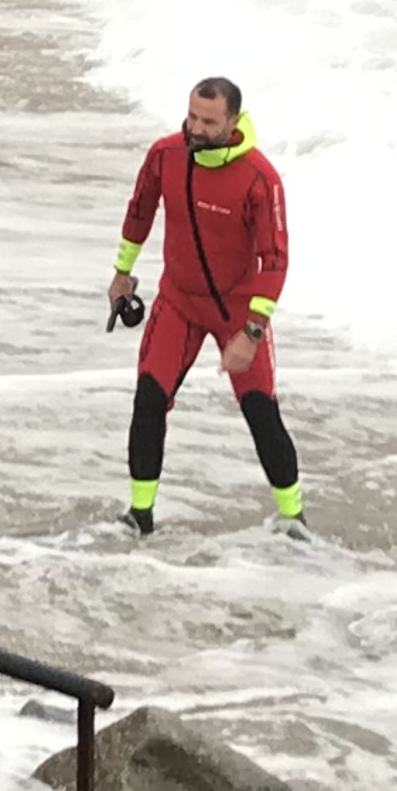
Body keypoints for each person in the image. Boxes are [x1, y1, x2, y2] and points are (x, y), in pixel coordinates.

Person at [103, 76, 304, 540]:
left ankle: (294, 520)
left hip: (237, 310)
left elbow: (275, 260)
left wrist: (252, 332)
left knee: (260, 410)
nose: (195, 127)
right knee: (149, 399)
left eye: (208, 121)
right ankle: (139, 516)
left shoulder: (260, 179)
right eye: (192, 116)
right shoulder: (165, 155)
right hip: (178, 302)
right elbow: (140, 211)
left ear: (233, 121)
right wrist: (121, 272)